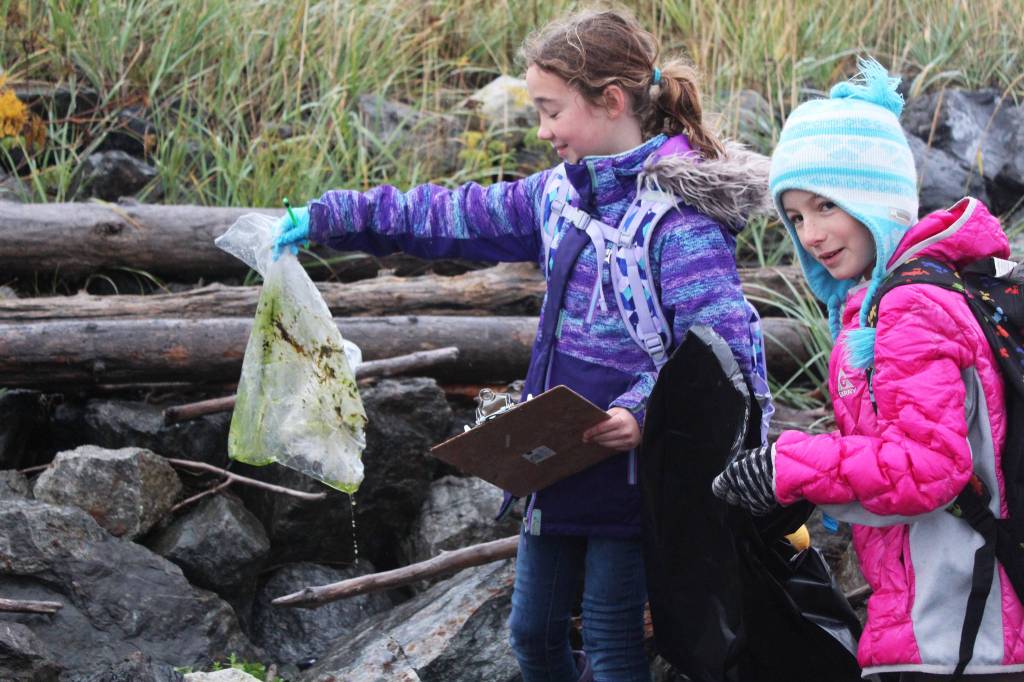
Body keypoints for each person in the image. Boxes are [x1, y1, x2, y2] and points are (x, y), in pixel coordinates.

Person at [276, 9, 767, 681]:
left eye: (550, 110)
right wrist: (330, 218)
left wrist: (642, 413)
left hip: (635, 467)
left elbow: (723, 353)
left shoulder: (680, 224)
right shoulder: (556, 197)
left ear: (613, 102)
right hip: (554, 453)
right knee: (533, 634)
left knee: (613, 638)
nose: (541, 131)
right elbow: (446, 217)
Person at [712, 58, 1024, 681]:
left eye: (827, 205)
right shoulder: (895, 299)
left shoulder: (909, 307)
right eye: (796, 216)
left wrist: (790, 465)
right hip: (944, 614)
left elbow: (932, 468)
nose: (812, 235)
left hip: (958, 627)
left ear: (876, 198)